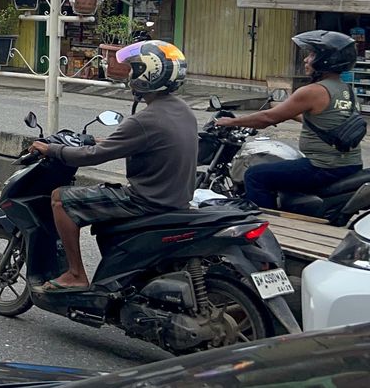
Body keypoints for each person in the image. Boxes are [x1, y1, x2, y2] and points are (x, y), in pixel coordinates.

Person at [29, 40, 195, 293]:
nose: (130, 74)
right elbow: (139, 142)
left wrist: (51, 149)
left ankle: (75, 274)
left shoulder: (144, 119)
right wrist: (101, 140)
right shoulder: (182, 110)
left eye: (134, 68)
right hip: (176, 200)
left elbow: (92, 157)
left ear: (146, 74)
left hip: (146, 201)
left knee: (60, 199)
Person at [216, 31, 364, 208]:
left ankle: (267, 224)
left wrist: (231, 121)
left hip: (324, 167)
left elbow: (267, 118)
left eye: (312, 54)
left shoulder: (313, 91)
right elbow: (329, 123)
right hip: (350, 164)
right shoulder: (346, 89)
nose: (306, 60)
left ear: (326, 59)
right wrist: (291, 114)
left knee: (255, 175)